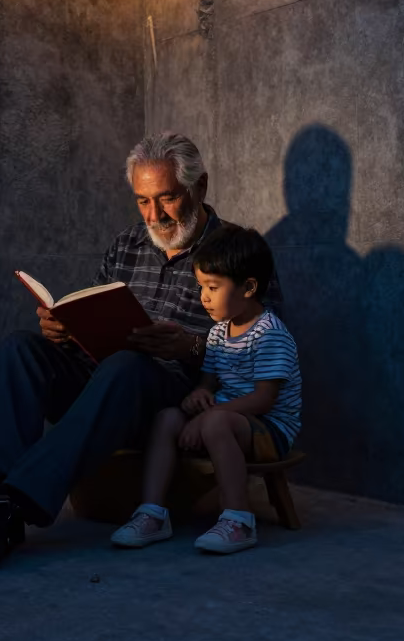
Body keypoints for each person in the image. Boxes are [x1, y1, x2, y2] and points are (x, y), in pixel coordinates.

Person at [0, 133, 282, 569]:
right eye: (142, 201)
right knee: (20, 349)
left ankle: (6, 506)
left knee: (128, 366)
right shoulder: (127, 245)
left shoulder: (237, 251)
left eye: (167, 198)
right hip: (104, 388)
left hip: (175, 399)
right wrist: (65, 330)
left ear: (200, 187)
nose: (154, 215)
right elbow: (95, 317)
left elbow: (265, 343)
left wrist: (190, 347)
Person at [110, 225, 301, 555]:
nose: (204, 297)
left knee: (215, 423)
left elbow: (264, 399)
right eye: (201, 287)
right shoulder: (217, 333)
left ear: (248, 287)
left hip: (270, 429)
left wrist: (208, 416)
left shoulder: (269, 333)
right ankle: (152, 513)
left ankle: (238, 520)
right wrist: (198, 396)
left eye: (213, 287)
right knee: (168, 418)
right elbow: (209, 382)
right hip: (228, 418)